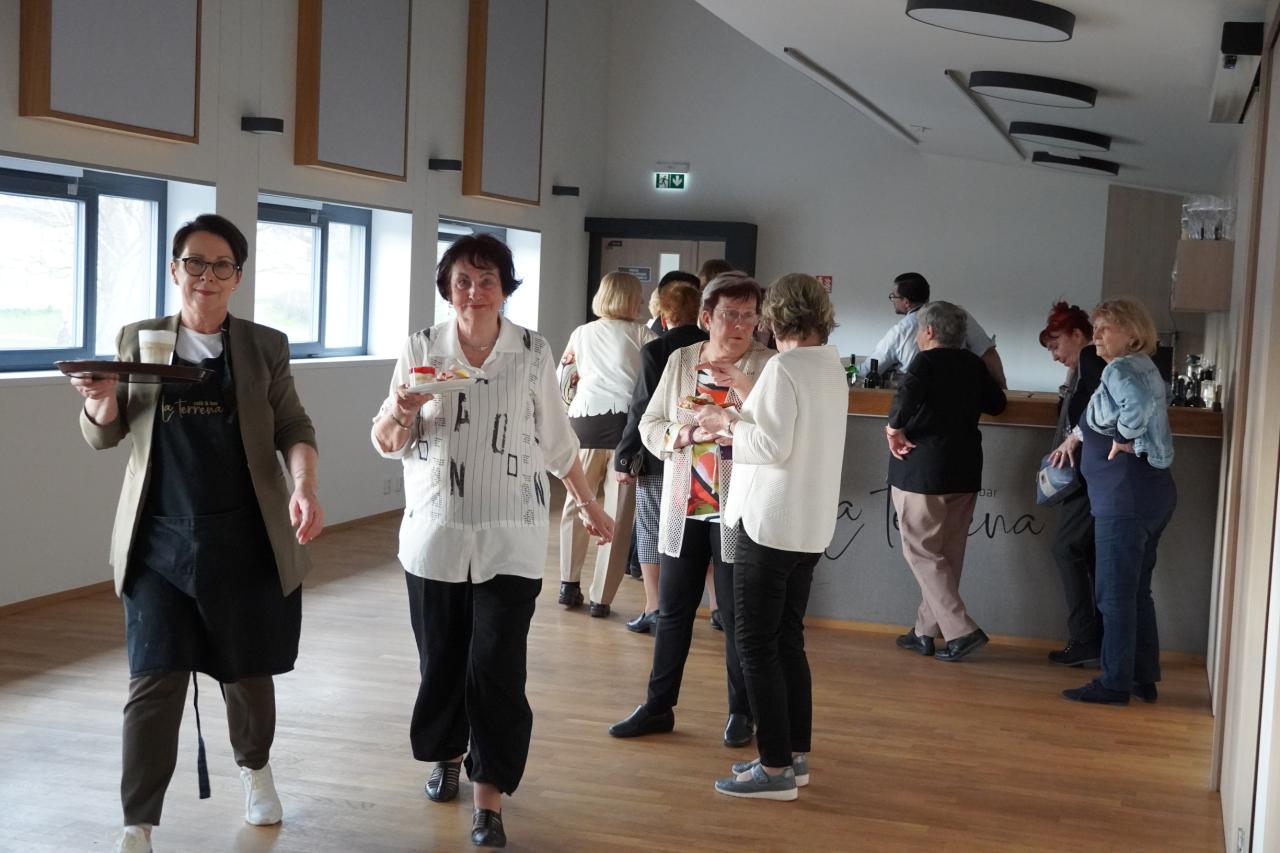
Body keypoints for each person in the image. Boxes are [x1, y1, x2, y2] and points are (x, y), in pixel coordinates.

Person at [71, 214, 324, 853]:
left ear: (237, 277)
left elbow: (293, 425)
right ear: (174, 269)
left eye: (221, 265)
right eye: (194, 262)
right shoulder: (139, 340)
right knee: (152, 679)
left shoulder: (264, 346)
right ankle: (137, 823)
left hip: (245, 537)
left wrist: (303, 486)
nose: (206, 276)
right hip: (157, 540)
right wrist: (99, 398)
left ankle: (254, 768)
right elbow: (107, 432)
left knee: (246, 671)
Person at [371, 234, 613, 849]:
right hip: (434, 538)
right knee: (441, 661)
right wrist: (402, 409)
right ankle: (446, 754)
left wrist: (589, 504)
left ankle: (490, 797)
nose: (474, 292)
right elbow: (387, 441)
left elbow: (557, 443)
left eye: (486, 280)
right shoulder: (422, 348)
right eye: (462, 280)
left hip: (511, 538)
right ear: (446, 287)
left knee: (498, 669)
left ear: (505, 288)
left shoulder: (532, 351)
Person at [691, 274, 847, 801]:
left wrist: (722, 423)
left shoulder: (784, 366)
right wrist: (742, 402)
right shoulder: (829, 365)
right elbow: (790, 428)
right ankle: (793, 756)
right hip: (808, 524)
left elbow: (769, 446)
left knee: (755, 644)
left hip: (769, 522)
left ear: (775, 317)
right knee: (787, 640)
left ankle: (775, 768)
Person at [609, 272, 774, 747]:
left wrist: (731, 422)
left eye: (748, 316)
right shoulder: (681, 360)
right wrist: (686, 434)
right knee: (673, 611)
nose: (739, 325)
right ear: (706, 317)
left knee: (737, 617)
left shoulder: (767, 366)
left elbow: (774, 432)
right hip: (685, 505)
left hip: (738, 511)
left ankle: (742, 711)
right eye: (729, 315)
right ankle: (658, 706)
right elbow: (650, 423)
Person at [1062, 298, 1176, 706]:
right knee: (1135, 592)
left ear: (1131, 333)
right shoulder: (1141, 365)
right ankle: (1141, 677)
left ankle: (1114, 684)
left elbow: (1136, 407)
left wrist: (1124, 437)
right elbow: (1108, 409)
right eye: (1094, 328)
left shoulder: (1122, 368)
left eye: (1104, 329)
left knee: (1113, 596)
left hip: (1125, 497)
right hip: (1146, 493)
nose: (1095, 337)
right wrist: (1077, 436)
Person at [886, 301, 1007, 662]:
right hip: (964, 469)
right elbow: (997, 404)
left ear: (929, 331)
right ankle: (924, 631)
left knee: (921, 552)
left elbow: (905, 400)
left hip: (923, 469)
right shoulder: (973, 363)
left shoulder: (925, 362)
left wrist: (893, 429)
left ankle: (961, 630)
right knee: (948, 555)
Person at [557, 272, 656, 617]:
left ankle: (568, 584)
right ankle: (601, 599)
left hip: (583, 425)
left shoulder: (581, 333)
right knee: (618, 514)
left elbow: (564, 378)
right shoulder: (644, 335)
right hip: (623, 431)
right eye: (638, 296)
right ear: (630, 298)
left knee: (577, 502)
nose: (641, 302)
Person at [614, 281, 707, 633]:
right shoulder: (709, 347)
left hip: (660, 452)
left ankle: (655, 607)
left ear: (664, 315)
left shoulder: (656, 350)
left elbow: (641, 408)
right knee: (703, 528)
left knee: (652, 528)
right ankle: (716, 609)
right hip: (703, 455)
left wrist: (624, 457)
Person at [1041, 301, 1106, 667]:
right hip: (1090, 476)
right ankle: (1095, 639)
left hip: (1086, 477)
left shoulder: (1093, 361)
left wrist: (1074, 438)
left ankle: (1085, 639)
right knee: (1088, 554)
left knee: (1066, 548)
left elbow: (1095, 413)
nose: (1054, 355)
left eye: (1056, 345)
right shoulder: (1084, 367)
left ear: (1078, 335)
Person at [865, 272, 1008, 388]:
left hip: (917, 402)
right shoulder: (958, 315)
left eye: (894, 297)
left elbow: (870, 369)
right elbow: (988, 353)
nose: (893, 300)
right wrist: (1004, 390)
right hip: (961, 399)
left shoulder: (900, 331)